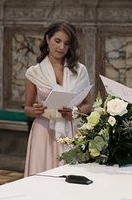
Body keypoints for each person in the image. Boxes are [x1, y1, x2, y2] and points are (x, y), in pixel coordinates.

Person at [23, 21, 92, 176]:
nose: (61, 47)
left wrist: (75, 112)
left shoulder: (80, 71)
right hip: (44, 132)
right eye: (57, 41)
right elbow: (27, 108)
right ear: (48, 39)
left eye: (67, 44)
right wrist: (35, 110)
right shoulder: (34, 72)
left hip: (72, 130)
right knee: (43, 179)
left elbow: (88, 104)